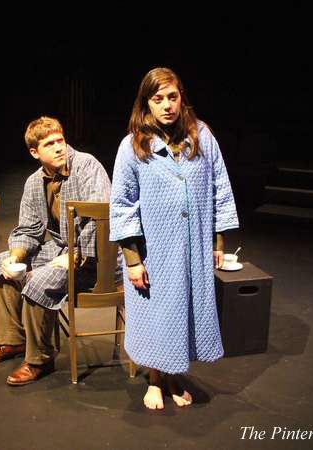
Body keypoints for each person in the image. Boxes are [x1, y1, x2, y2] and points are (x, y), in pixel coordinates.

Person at [109, 68, 239, 409]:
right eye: (158, 99)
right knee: (156, 314)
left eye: (172, 97)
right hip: (153, 252)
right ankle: (153, 379)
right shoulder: (133, 145)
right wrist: (133, 260)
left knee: (183, 312)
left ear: (182, 98)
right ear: (146, 103)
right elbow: (122, 206)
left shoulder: (202, 136)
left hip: (193, 247)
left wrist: (218, 243)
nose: (167, 105)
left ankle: (173, 373)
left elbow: (220, 189)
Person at [0, 116, 111, 386]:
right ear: (35, 152)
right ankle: (12, 341)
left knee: (38, 280)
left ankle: (40, 359)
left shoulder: (86, 166)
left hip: (98, 257)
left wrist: (75, 256)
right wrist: (16, 256)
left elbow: (101, 220)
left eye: (61, 140)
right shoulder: (34, 182)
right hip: (62, 247)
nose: (59, 147)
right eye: (50, 144)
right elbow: (28, 229)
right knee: (3, 268)